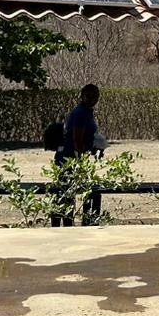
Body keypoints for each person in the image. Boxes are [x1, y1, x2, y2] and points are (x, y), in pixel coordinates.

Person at [52, 84, 102, 226]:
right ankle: (62, 226)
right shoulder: (80, 113)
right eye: (89, 96)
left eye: (95, 96)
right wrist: (80, 161)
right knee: (65, 193)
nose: (92, 99)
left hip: (72, 155)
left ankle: (67, 224)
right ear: (82, 96)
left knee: (68, 193)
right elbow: (77, 138)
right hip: (69, 158)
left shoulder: (86, 112)